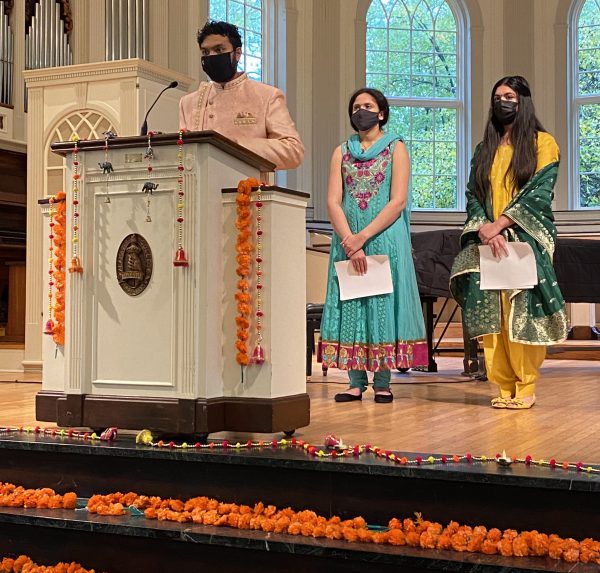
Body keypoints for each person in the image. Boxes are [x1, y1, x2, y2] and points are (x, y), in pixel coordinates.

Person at [450, 76, 567, 410]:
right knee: (493, 314)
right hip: (488, 239)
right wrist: (485, 227)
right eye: (498, 96)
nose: (502, 101)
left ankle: (526, 386)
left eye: (509, 96)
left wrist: (502, 224)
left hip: (523, 237)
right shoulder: (484, 149)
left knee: (521, 311)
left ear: (523, 101)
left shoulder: (542, 143)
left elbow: (539, 191)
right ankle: (502, 386)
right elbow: (474, 193)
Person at [320, 88, 428, 403]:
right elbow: (332, 200)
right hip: (347, 238)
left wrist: (363, 237)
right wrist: (350, 243)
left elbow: (398, 201)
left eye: (368, 106)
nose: (361, 111)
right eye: (356, 106)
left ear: (381, 113)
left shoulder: (396, 148)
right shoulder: (342, 150)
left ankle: (383, 381)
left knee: (382, 303)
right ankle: (355, 381)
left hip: (384, 239)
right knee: (353, 302)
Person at [179, 20, 304, 171]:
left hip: (248, 190)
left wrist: (236, 146)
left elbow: (293, 151)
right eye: (205, 52)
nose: (211, 56)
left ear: (237, 53)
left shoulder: (267, 96)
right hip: (199, 190)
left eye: (219, 50)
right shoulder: (188, 103)